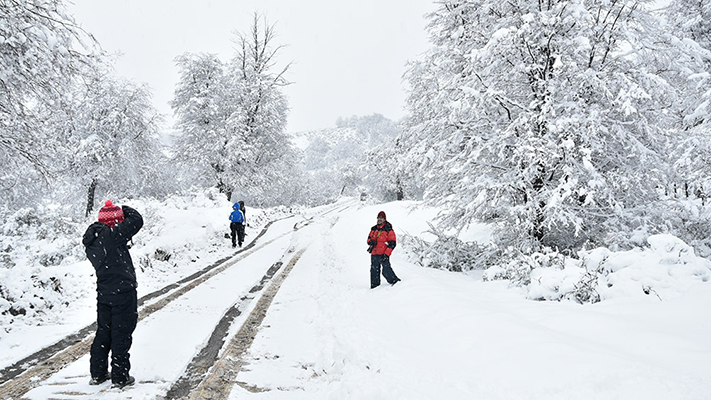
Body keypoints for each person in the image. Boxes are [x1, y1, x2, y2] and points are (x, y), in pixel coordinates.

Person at [82, 200, 144, 388]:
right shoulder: (112, 236)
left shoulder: (93, 240)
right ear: (114, 222)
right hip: (123, 292)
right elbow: (137, 220)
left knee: (104, 332)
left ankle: (98, 373)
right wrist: (123, 209)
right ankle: (120, 376)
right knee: (121, 333)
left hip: (105, 293)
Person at [367, 211, 401, 288]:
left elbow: (392, 244)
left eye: (381, 218)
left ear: (384, 219)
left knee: (386, 270)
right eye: (378, 218)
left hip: (383, 254)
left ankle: (396, 283)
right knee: (374, 271)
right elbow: (368, 240)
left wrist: (386, 254)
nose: (380, 219)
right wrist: (371, 242)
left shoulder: (388, 229)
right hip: (374, 253)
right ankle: (374, 287)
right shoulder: (373, 229)